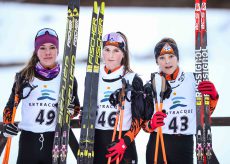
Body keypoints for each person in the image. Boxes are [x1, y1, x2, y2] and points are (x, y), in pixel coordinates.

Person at [1, 28, 80, 164]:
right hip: (28, 141)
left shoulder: (68, 78)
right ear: (36, 51)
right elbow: (9, 108)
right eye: (42, 48)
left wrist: (71, 111)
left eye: (52, 47)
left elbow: (76, 108)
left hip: (55, 141)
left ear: (58, 50)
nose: (47, 52)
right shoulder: (24, 77)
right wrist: (7, 125)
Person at [143, 37, 219, 164]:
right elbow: (143, 125)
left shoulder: (194, 79)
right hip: (158, 143)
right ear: (157, 61)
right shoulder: (150, 85)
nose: (167, 61)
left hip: (184, 144)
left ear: (177, 58)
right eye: (162, 58)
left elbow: (205, 114)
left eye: (171, 56)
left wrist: (213, 97)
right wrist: (151, 124)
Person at [93, 31, 165, 164]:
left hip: (123, 146)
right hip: (96, 145)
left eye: (116, 51)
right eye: (107, 50)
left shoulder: (133, 79)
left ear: (123, 54)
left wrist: (124, 142)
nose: (110, 55)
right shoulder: (93, 77)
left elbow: (139, 118)